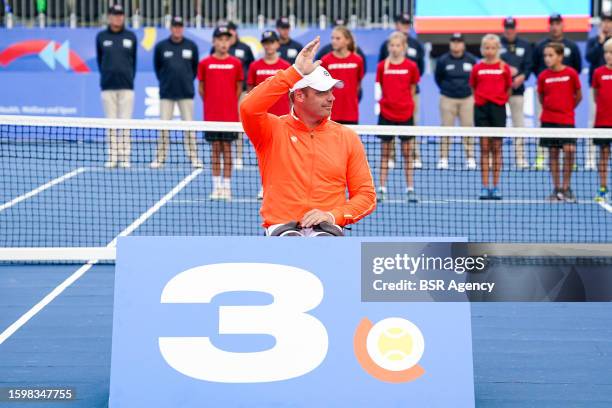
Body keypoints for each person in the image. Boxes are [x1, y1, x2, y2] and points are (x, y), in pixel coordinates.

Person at [239, 36, 376, 236]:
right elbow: (248, 107)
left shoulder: (347, 137)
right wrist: (293, 73)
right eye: (322, 92)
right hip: (282, 228)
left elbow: (366, 196)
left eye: (331, 90)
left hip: (328, 230)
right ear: (300, 96)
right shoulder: (271, 129)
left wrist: (333, 216)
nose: (331, 97)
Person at [197, 25, 244, 200]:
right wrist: (212, 104)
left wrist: (229, 102)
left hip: (229, 117)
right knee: (215, 150)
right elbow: (201, 88)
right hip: (211, 116)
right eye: (220, 39)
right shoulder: (204, 63)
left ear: (230, 42)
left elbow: (239, 87)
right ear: (214, 41)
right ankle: (216, 187)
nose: (223, 43)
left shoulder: (236, 63)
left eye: (226, 39)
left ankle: (227, 187)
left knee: (227, 150)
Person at [532, 13, 582, 170]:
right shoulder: (540, 45)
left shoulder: (572, 47)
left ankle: (566, 183)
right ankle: (541, 157)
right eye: (552, 23)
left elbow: (578, 70)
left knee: (568, 150)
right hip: (547, 101)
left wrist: (567, 106)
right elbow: (534, 65)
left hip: (566, 111)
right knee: (550, 147)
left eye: (557, 23)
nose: (555, 26)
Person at [375, 31, 420, 203]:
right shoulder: (381, 67)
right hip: (386, 114)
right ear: (388, 47)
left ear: (404, 47)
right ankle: (381, 188)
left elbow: (413, 89)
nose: (395, 48)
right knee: (385, 154)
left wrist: (406, 106)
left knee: (407, 154)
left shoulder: (411, 66)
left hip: (405, 114)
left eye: (398, 45)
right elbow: (381, 87)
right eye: (392, 45)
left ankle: (410, 188)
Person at [151, 16, 201, 169]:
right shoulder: (161, 47)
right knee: (164, 128)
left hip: (186, 93)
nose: (177, 29)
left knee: (189, 128)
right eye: (175, 26)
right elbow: (157, 68)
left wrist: (185, 81)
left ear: (183, 28)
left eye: (180, 26)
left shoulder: (191, 46)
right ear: (170, 28)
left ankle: (194, 158)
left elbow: (194, 69)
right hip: (166, 93)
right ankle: (160, 158)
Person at [247, 30, 291, 200]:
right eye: (266, 42)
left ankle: (283, 188)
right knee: (265, 155)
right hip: (263, 119)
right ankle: (265, 187)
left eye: (272, 42)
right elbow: (251, 93)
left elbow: (291, 92)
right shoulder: (254, 66)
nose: (269, 46)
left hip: (282, 118)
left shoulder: (286, 66)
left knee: (283, 156)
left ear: (277, 44)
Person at [378, 13, 425, 169]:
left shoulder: (416, 45)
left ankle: (414, 156)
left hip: (410, 94)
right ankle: (390, 157)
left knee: (411, 126)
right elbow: (382, 75)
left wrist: (408, 92)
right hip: (391, 97)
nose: (404, 26)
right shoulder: (386, 45)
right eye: (402, 23)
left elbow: (421, 68)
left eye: (407, 23)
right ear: (397, 24)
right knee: (388, 132)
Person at [537, 42, 582, 202]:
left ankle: (566, 187)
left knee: (569, 151)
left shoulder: (571, 73)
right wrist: (551, 109)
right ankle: (556, 189)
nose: (547, 59)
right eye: (545, 56)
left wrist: (567, 108)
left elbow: (578, 95)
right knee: (553, 154)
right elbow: (541, 98)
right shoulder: (543, 76)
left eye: (551, 55)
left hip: (566, 120)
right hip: (548, 120)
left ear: (560, 56)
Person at [470, 34, 512, 200]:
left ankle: (495, 186)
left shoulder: (504, 68)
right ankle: (484, 186)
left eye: (493, 48)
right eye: (486, 47)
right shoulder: (477, 68)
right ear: (482, 49)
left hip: (498, 109)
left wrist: (498, 101)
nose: (489, 51)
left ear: (498, 49)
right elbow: (473, 87)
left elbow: (508, 88)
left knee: (497, 149)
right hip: (481, 110)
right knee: (484, 148)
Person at [96, 4, 137, 168]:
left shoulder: (131, 36)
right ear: (109, 17)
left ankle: (125, 156)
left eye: (120, 15)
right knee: (111, 123)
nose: (118, 17)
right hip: (107, 86)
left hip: (127, 86)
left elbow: (133, 61)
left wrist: (128, 77)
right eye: (115, 14)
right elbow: (100, 60)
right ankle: (113, 157)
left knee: (125, 123)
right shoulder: (101, 37)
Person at [434, 33, 477, 170]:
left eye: (459, 42)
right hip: (448, 98)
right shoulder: (443, 60)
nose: (456, 44)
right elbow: (438, 78)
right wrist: (447, 89)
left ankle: (470, 157)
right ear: (450, 43)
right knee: (446, 128)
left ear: (463, 44)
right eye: (454, 41)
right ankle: (443, 158)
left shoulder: (471, 60)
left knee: (468, 128)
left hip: (467, 99)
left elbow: (475, 79)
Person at [500, 17, 532, 169]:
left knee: (519, 124)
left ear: (515, 28)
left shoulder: (525, 45)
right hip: (499, 91)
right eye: (507, 27)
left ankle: (520, 158)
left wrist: (522, 76)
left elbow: (529, 65)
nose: (509, 30)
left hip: (517, 90)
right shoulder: (497, 44)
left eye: (511, 27)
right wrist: (506, 71)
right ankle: (496, 158)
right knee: (497, 125)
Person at [320, 26, 365, 124]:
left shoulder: (358, 60)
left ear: (347, 41)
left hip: (351, 114)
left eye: (338, 38)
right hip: (330, 114)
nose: (333, 41)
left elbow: (358, 84)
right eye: (332, 38)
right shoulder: (325, 60)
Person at [586, 12, 612, 171]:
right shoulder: (593, 41)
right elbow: (590, 58)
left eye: (610, 21)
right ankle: (590, 159)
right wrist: (601, 43)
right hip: (597, 89)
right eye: (605, 21)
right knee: (593, 122)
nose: (607, 24)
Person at [592, 38, 612, 203]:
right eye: (606, 52)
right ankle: (603, 187)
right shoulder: (598, 73)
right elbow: (596, 96)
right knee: (603, 155)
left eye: (611, 52)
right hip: (603, 122)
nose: (608, 56)